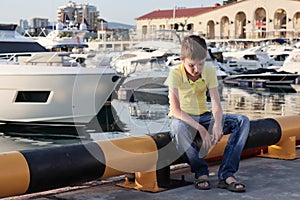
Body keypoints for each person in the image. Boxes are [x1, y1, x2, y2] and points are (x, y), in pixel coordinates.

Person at [164, 35, 250, 192]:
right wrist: (202, 130)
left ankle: (226, 174)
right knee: (178, 129)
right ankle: (201, 172)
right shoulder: (175, 74)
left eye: (201, 64)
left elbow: (216, 104)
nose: (197, 70)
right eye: (191, 65)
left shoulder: (209, 72)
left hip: (204, 116)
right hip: (183, 118)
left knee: (242, 120)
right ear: (181, 59)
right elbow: (176, 110)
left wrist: (217, 124)